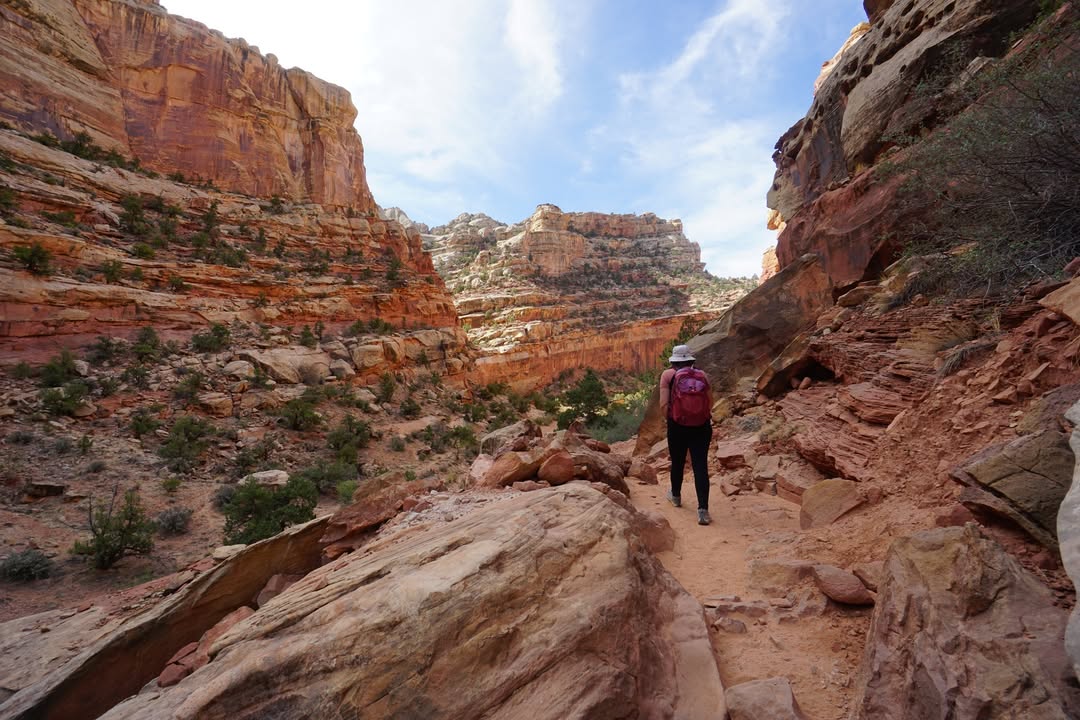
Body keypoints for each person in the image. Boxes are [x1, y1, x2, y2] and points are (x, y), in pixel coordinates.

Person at [659, 345, 713, 525]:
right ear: (691, 360)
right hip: (701, 426)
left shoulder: (668, 375)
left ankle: (675, 496)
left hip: (677, 426)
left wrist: (670, 420)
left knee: (678, 461)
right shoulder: (703, 375)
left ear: (674, 360)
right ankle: (703, 510)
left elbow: (663, 405)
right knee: (700, 466)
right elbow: (710, 402)